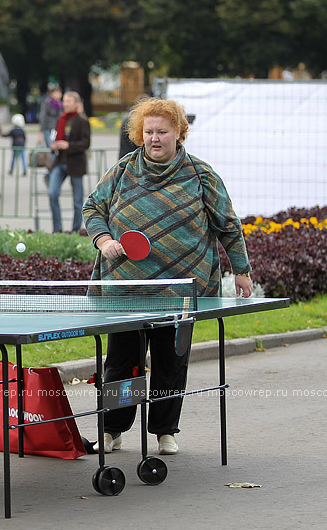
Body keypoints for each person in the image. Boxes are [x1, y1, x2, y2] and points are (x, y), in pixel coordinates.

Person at [82, 97, 254, 456]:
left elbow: (228, 225)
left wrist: (241, 270)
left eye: (162, 131)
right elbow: (93, 207)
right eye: (148, 132)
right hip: (125, 289)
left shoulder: (201, 174)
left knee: (170, 363)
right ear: (139, 134)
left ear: (179, 132)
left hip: (179, 290)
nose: (154, 138)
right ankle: (112, 431)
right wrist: (103, 238)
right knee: (121, 365)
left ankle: (164, 432)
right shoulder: (123, 170)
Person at [48, 91, 90, 233]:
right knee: (52, 193)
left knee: (77, 201)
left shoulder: (82, 120)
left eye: (69, 101)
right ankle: (57, 229)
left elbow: (86, 143)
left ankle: (75, 230)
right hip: (60, 162)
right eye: (64, 101)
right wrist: (53, 145)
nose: (65, 104)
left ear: (76, 104)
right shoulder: (61, 118)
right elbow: (55, 135)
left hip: (75, 163)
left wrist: (69, 145)